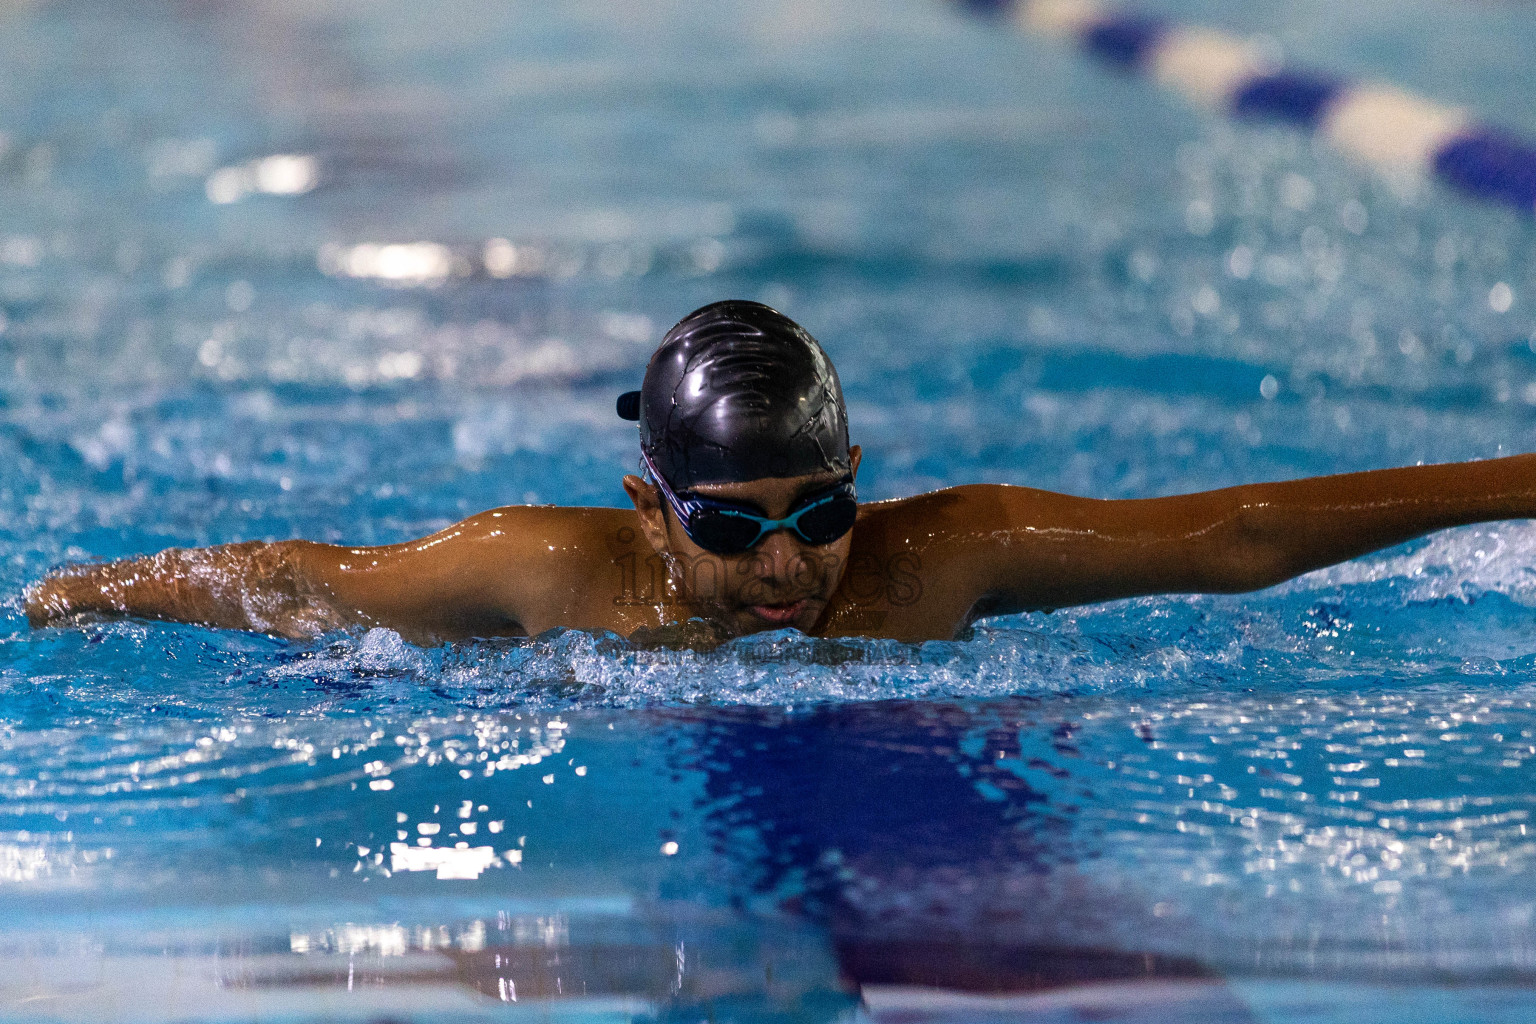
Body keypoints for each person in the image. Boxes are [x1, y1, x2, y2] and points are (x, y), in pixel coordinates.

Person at [23, 300, 1536, 646]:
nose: (789, 566)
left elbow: (1234, 535)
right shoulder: (555, 573)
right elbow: (297, 581)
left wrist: (1517, 477)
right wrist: (77, 594)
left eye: (822, 515)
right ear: (648, 507)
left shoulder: (940, 560)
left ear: (858, 480)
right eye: (733, 533)